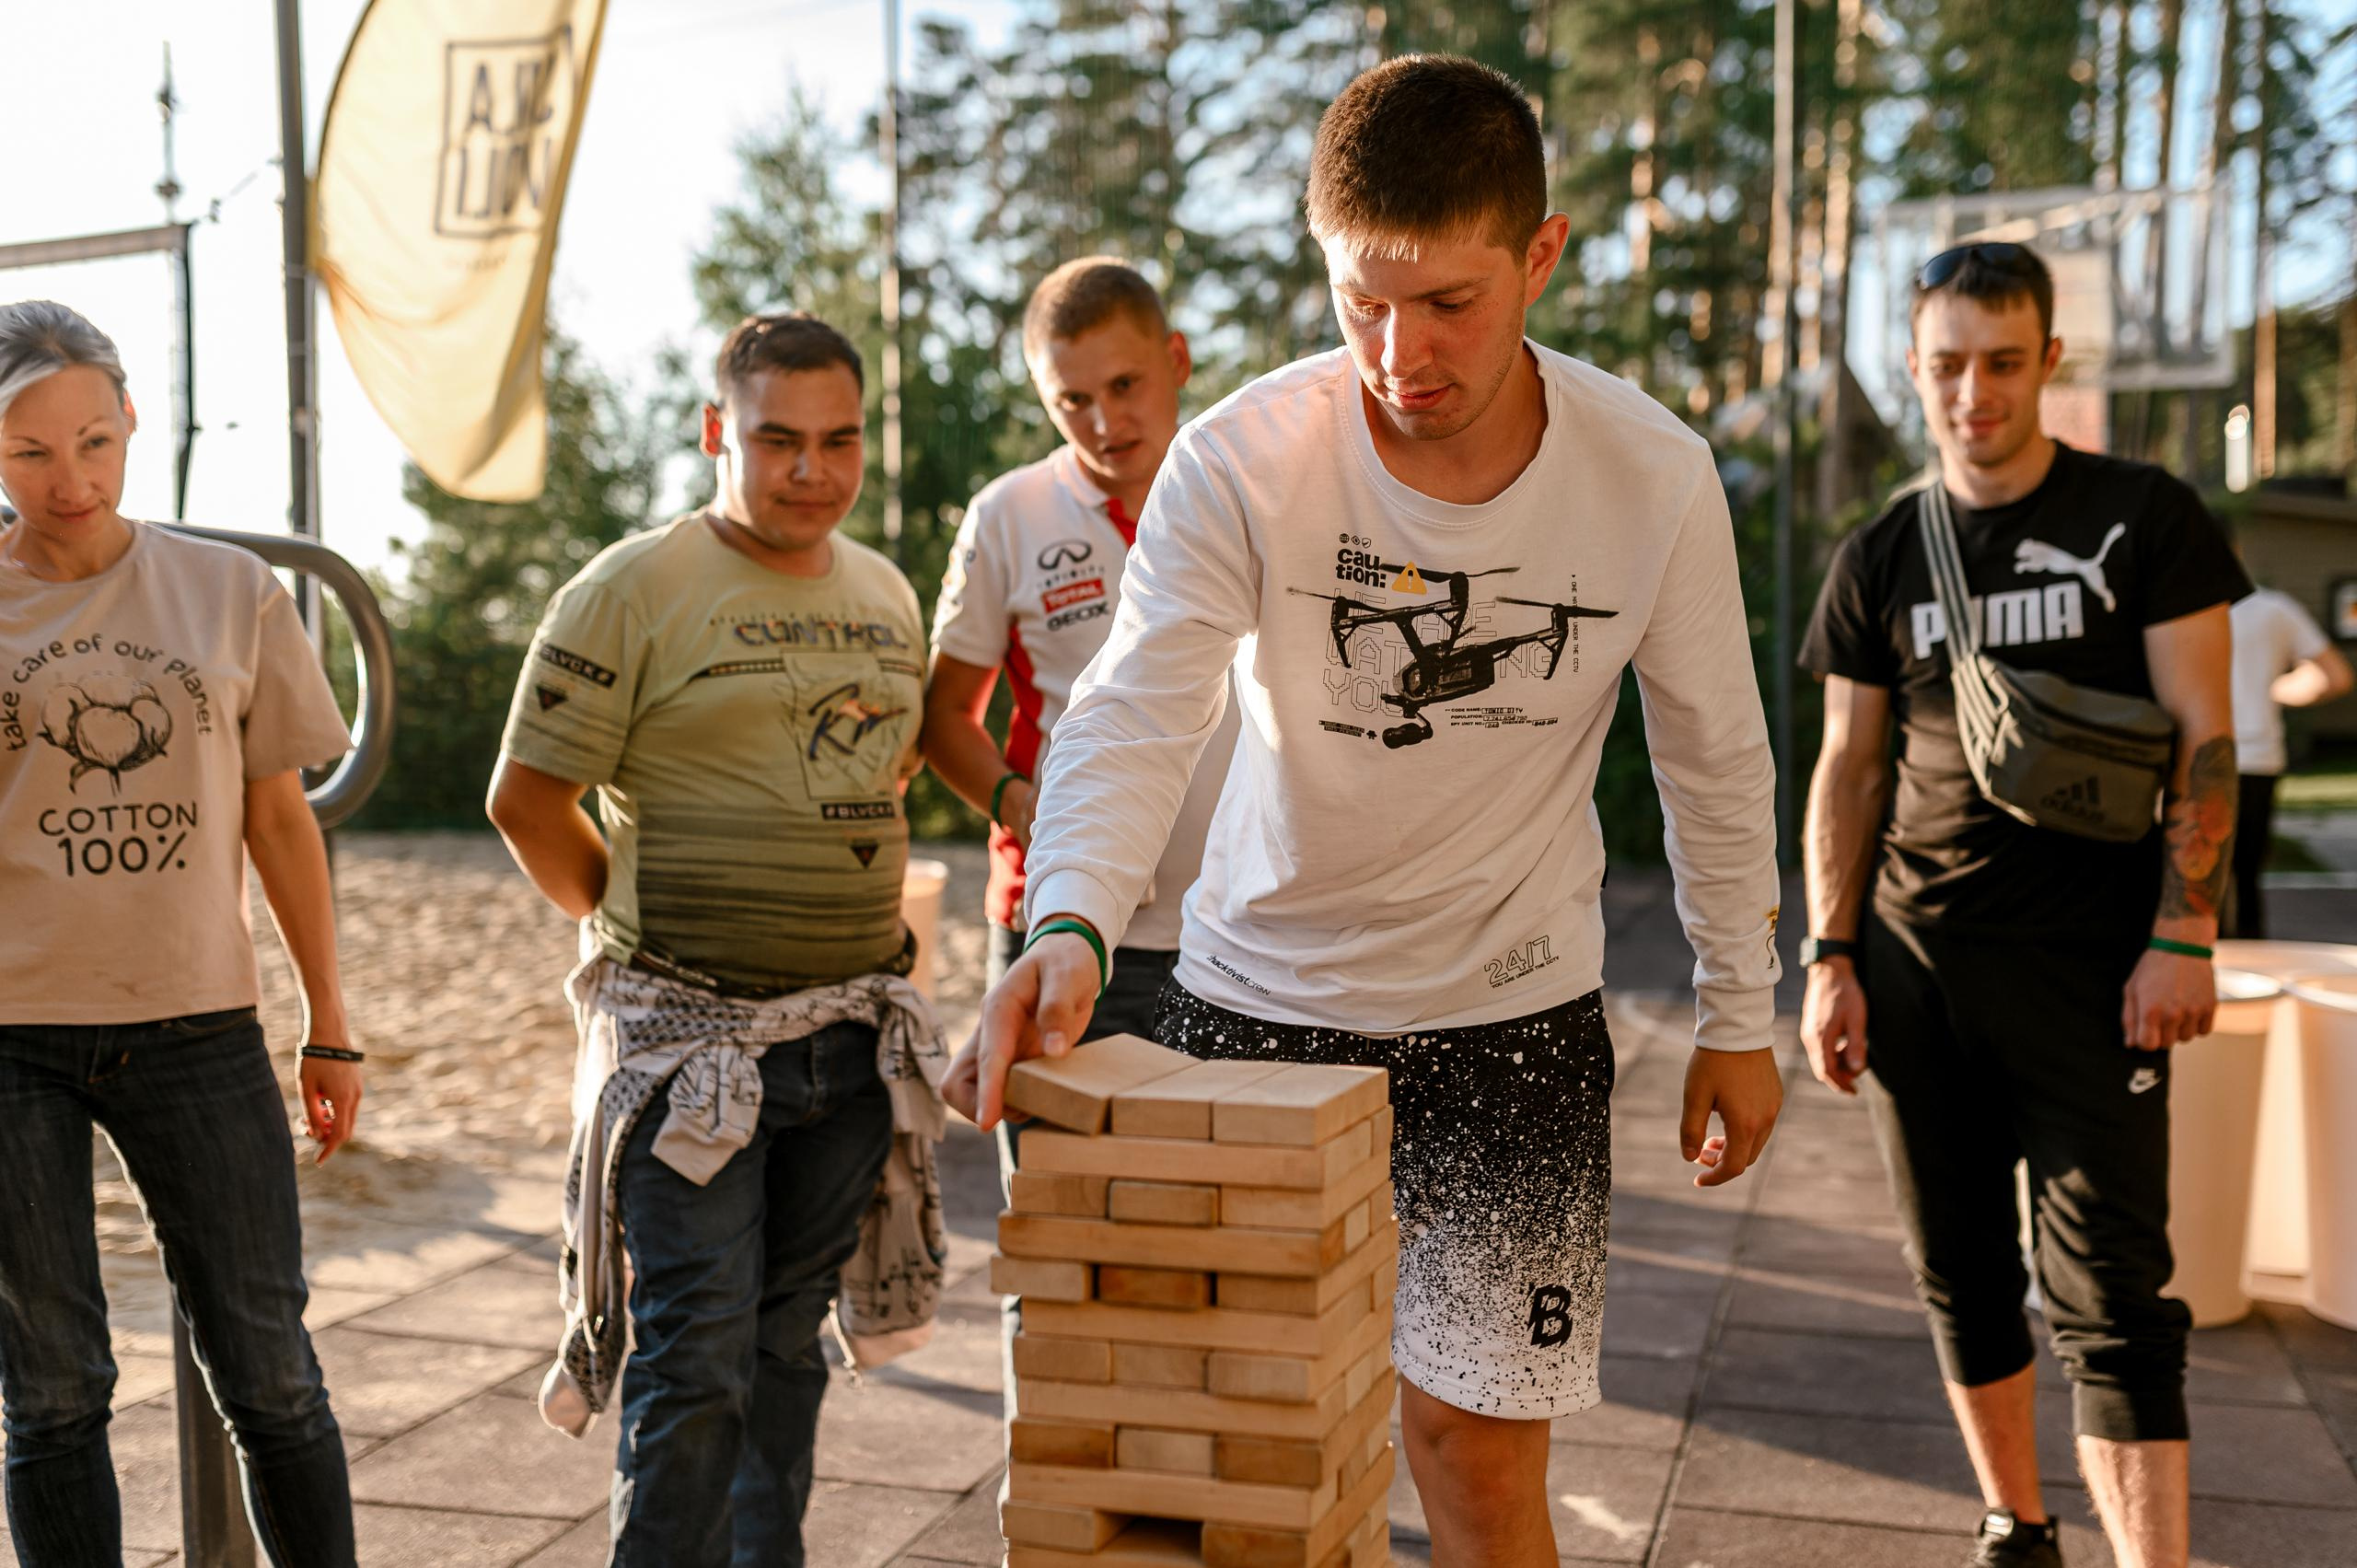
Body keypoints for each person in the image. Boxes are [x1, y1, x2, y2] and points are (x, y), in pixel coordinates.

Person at [946, 56, 1784, 1566]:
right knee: (1240, 1465)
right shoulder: (1244, 458)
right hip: (1258, 1006)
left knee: (1471, 1456)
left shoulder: (1652, 472)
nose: (1401, 352)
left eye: (1449, 300)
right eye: (1361, 301)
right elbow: (1136, 709)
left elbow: (1714, 753)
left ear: (1542, 253)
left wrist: (1741, 1009)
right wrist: (1066, 922)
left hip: (1510, 1028)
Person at [1798, 243, 2247, 1568]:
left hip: (2100, 968)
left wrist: (2185, 932)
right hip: (1914, 965)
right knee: (1960, 1270)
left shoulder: (2144, 518)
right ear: (1916, 368)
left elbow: (2205, 735)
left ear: (2050, 359)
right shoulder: (1880, 551)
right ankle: (2016, 1519)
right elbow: (1851, 763)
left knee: (2114, 1288)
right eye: (1947, 365)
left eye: (2003, 361)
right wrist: (1829, 954)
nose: (1973, 392)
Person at [487, 313, 941, 1567]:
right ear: (714, 434)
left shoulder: (885, 590)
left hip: (846, 1045)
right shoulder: (630, 588)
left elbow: (882, 773)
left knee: (784, 1342)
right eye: (777, 439)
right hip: (690, 1051)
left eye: (839, 440)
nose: (812, 469)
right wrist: (646, 938)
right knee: (694, 1356)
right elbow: (526, 802)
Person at [0, 300, 362, 1566]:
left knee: (271, 1371)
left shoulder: (229, 589)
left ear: (133, 420)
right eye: (31, 451)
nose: (72, 479)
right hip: (10, 1036)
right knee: (51, 1393)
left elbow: (281, 819)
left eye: (95, 440)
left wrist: (332, 1020)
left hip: (200, 1021)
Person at [923, 256, 1236, 1032]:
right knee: (1059, 1161)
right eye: (1073, 400)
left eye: (1125, 385)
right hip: (1069, 928)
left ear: (1177, 359)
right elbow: (942, 716)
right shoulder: (1008, 515)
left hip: (1245, 932)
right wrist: (1015, 800)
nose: (1104, 422)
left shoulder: (1249, 487)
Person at [2225, 570, 2351, 935]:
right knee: (2245, 878)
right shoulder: (2272, 609)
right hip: (2255, 756)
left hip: (2189, 759)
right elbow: (2333, 676)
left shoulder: (2167, 607)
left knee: (2190, 883)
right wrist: (2272, 691)